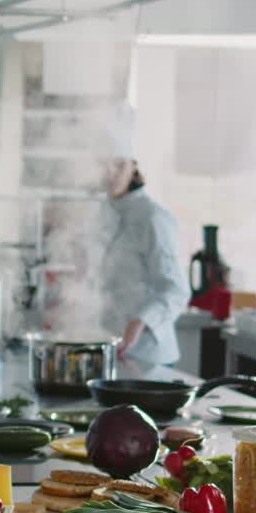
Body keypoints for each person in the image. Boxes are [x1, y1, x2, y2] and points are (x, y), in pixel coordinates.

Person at [99, 156, 191, 365]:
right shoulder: (104, 213)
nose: (110, 171)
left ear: (134, 167)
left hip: (148, 353)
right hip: (111, 349)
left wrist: (141, 321)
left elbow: (176, 290)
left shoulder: (153, 218)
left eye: (119, 164)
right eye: (103, 163)